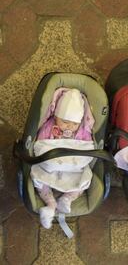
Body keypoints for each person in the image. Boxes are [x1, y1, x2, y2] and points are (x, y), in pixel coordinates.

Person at [31, 88, 95, 228]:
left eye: (75, 124)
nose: (70, 127)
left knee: (84, 180)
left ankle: (67, 199)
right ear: (56, 116)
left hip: (73, 167)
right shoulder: (49, 126)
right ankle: (50, 205)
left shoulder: (83, 130)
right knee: (39, 178)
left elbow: (88, 147)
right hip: (51, 163)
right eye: (65, 122)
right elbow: (40, 143)